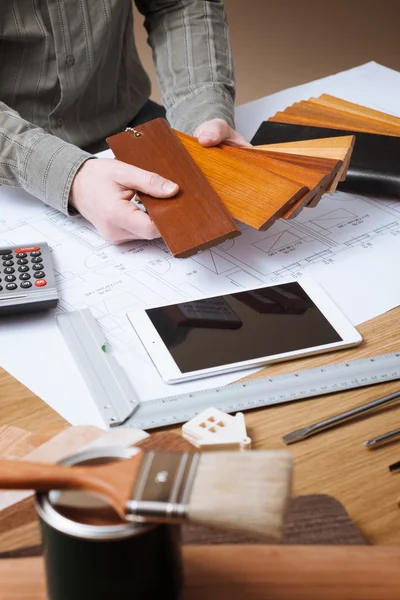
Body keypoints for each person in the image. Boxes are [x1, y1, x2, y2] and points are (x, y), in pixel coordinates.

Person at [0, 0, 249, 244]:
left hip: (128, 117)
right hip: (11, 155)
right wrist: (69, 175)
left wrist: (202, 108)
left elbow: (179, 4)